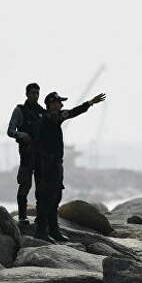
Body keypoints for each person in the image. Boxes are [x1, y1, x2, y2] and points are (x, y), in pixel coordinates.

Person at [33, 91, 106, 242]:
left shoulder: (51, 117)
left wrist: (90, 103)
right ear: (52, 104)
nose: (61, 105)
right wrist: (89, 103)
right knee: (46, 198)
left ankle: (53, 230)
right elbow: (72, 113)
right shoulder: (49, 117)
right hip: (46, 164)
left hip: (55, 163)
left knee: (55, 197)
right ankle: (41, 231)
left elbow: (70, 112)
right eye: (59, 102)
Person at [7, 83, 46, 225]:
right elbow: (10, 131)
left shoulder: (42, 111)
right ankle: (22, 216)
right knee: (25, 185)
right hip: (26, 154)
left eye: (37, 93)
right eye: (32, 93)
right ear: (27, 94)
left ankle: (40, 216)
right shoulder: (20, 110)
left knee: (41, 186)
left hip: (40, 155)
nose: (35, 95)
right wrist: (23, 135)